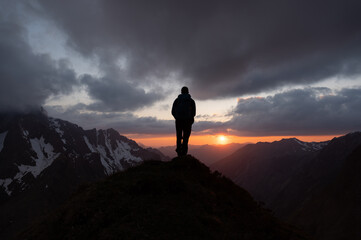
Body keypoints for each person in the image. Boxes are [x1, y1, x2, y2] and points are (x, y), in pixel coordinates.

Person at [171, 86, 196, 157]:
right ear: (188, 92)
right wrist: (190, 120)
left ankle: (179, 153)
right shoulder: (191, 101)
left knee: (179, 137)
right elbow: (194, 113)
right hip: (187, 122)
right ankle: (184, 153)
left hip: (178, 121)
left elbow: (172, 111)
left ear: (181, 92)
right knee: (186, 137)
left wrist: (177, 117)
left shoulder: (177, 100)